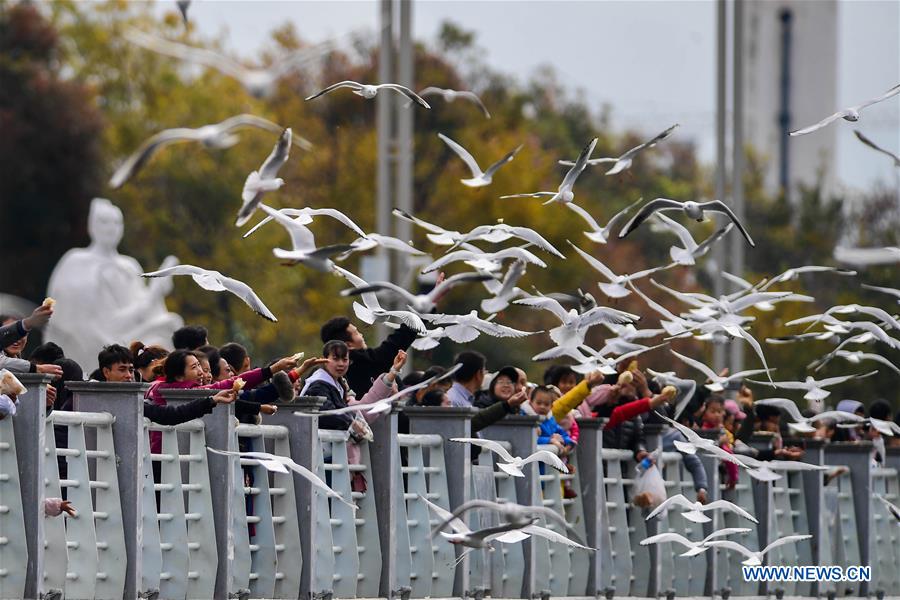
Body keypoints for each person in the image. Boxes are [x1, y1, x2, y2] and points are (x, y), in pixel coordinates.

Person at [44, 197, 183, 371]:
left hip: (128, 332)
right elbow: (68, 315)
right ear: (92, 225)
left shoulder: (129, 266)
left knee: (171, 326)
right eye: (104, 222)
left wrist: (156, 293)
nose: (111, 228)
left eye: (117, 223)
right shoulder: (76, 261)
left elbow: (143, 312)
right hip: (93, 337)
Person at [145, 349, 297, 453]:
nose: (201, 372)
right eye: (194, 367)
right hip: (165, 459)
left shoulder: (161, 387)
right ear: (179, 376)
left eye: (199, 365)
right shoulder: (183, 391)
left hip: (172, 457)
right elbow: (228, 385)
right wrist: (272, 370)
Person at [320, 316, 418, 397]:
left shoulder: (324, 375)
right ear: (348, 345)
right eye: (357, 333)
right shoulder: (370, 361)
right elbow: (400, 339)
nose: (361, 335)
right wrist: (421, 314)